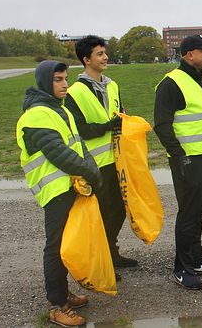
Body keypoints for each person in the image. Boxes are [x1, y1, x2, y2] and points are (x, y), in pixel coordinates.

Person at [16, 60, 102, 327]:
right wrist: (92, 172)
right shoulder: (36, 115)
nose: (65, 84)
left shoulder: (59, 110)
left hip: (70, 186)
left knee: (67, 243)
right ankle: (57, 306)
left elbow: (78, 146)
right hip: (55, 190)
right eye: (57, 79)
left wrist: (91, 167)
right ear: (44, 82)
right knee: (55, 248)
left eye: (65, 78)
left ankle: (64, 294)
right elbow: (59, 154)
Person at [154, 35, 202, 290]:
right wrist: (179, 156)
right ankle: (181, 267)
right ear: (189, 55)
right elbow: (162, 125)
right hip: (187, 160)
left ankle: (197, 260)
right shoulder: (171, 83)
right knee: (188, 214)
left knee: (200, 212)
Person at [64, 35, 137, 270]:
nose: (105, 57)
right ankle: (100, 263)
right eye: (99, 54)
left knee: (120, 209)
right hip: (94, 163)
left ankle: (111, 251)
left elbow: (118, 113)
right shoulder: (74, 92)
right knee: (101, 214)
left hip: (117, 158)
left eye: (105, 53)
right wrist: (109, 126)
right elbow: (78, 130)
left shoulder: (112, 85)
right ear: (86, 59)